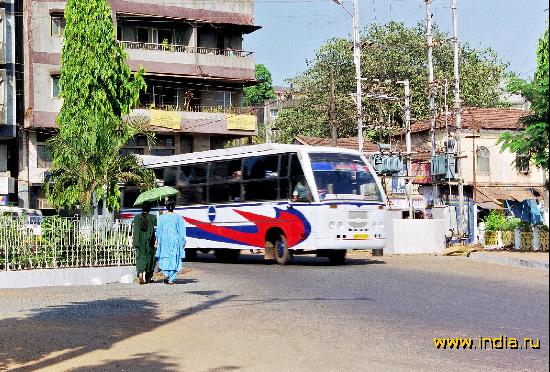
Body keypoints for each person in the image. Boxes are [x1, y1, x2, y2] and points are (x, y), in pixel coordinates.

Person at [155, 199, 186, 285]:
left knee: (165, 257)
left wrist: (157, 241)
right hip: (175, 241)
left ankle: (165, 276)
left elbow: (158, 231)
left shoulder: (161, 217)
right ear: (174, 207)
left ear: (166, 207)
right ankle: (171, 279)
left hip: (164, 241)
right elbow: (181, 232)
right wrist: (182, 242)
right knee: (173, 258)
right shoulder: (179, 217)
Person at [133, 202, 157, 284]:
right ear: (150, 209)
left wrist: (135, 242)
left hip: (139, 242)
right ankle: (147, 278)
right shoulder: (153, 217)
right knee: (150, 259)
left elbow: (135, 231)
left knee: (140, 257)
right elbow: (158, 224)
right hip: (149, 242)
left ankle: (141, 274)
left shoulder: (136, 217)